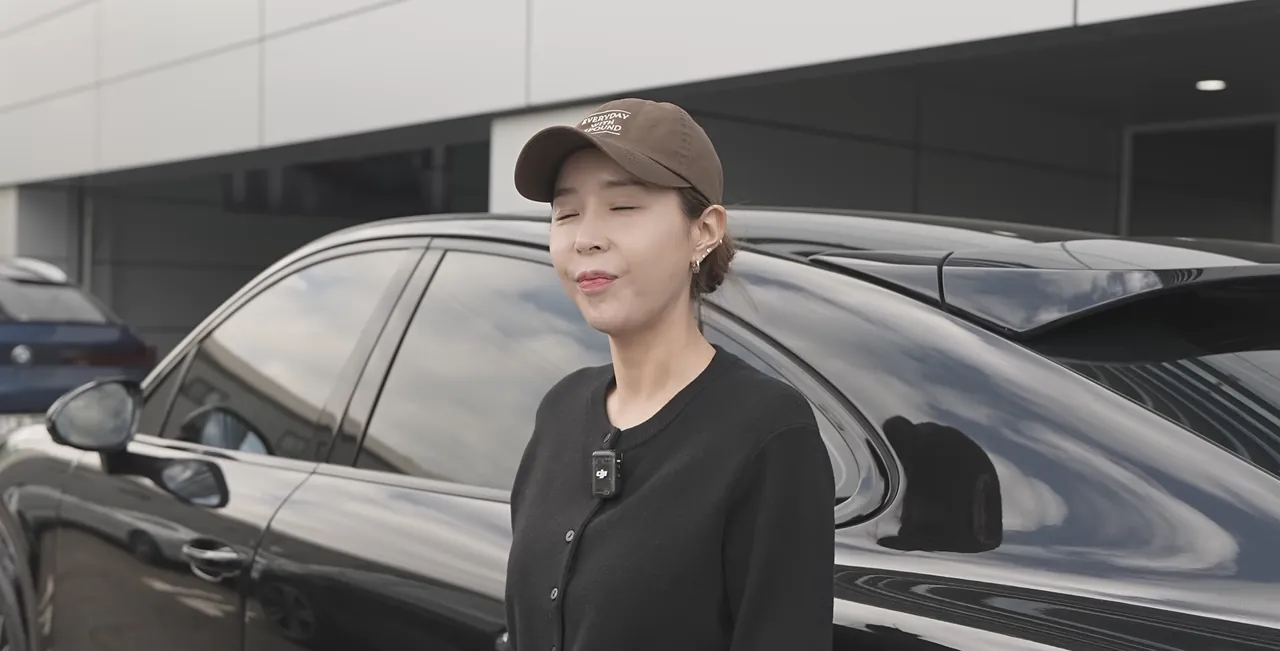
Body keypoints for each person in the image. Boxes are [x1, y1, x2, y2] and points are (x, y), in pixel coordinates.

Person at [503, 97, 834, 651]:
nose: (585, 237)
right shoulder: (560, 409)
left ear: (703, 230)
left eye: (623, 206)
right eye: (565, 213)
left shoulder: (767, 432)